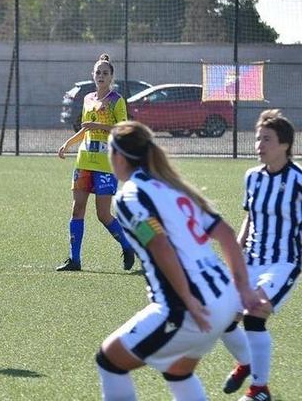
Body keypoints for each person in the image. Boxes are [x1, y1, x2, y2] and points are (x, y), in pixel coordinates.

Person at [97, 120, 261, 401]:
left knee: (109, 361)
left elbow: (160, 244)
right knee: (178, 372)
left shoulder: (129, 196)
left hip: (188, 306)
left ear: (119, 156)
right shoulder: (173, 187)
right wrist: (243, 290)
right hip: (224, 299)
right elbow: (226, 233)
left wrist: (187, 298)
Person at [218, 110, 300, 401]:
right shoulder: (252, 177)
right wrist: (236, 255)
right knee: (222, 317)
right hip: (251, 259)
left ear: (285, 145)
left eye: (267, 139)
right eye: (257, 138)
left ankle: (259, 389)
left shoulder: (298, 181)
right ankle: (247, 363)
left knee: (256, 312)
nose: (259, 145)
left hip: (282, 263)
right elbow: (249, 219)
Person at [56, 53, 135, 272]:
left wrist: (99, 127)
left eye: (105, 73)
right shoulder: (88, 98)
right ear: (93, 75)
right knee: (77, 209)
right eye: (98, 72)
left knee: (103, 214)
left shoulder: (116, 100)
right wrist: (68, 144)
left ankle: (127, 246)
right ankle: (75, 260)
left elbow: (123, 130)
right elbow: (85, 128)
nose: (101, 75)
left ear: (111, 77)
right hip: (84, 162)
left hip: (105, 164)